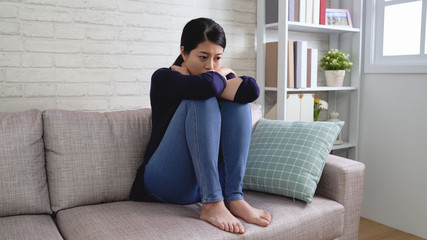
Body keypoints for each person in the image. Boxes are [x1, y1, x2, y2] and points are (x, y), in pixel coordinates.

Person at [130, 17, 272, 234]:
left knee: (238, 105)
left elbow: (251, 90)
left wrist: (222, 76)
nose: (211, 66)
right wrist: (223, 75)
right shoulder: (164, 78)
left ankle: (233, 197)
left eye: (218, 58)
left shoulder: (210, 79)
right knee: (201, 101)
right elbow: (207, 87)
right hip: (163, 181)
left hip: (198, 186)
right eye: (203, 57)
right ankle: (213, 203)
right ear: (184, 52)